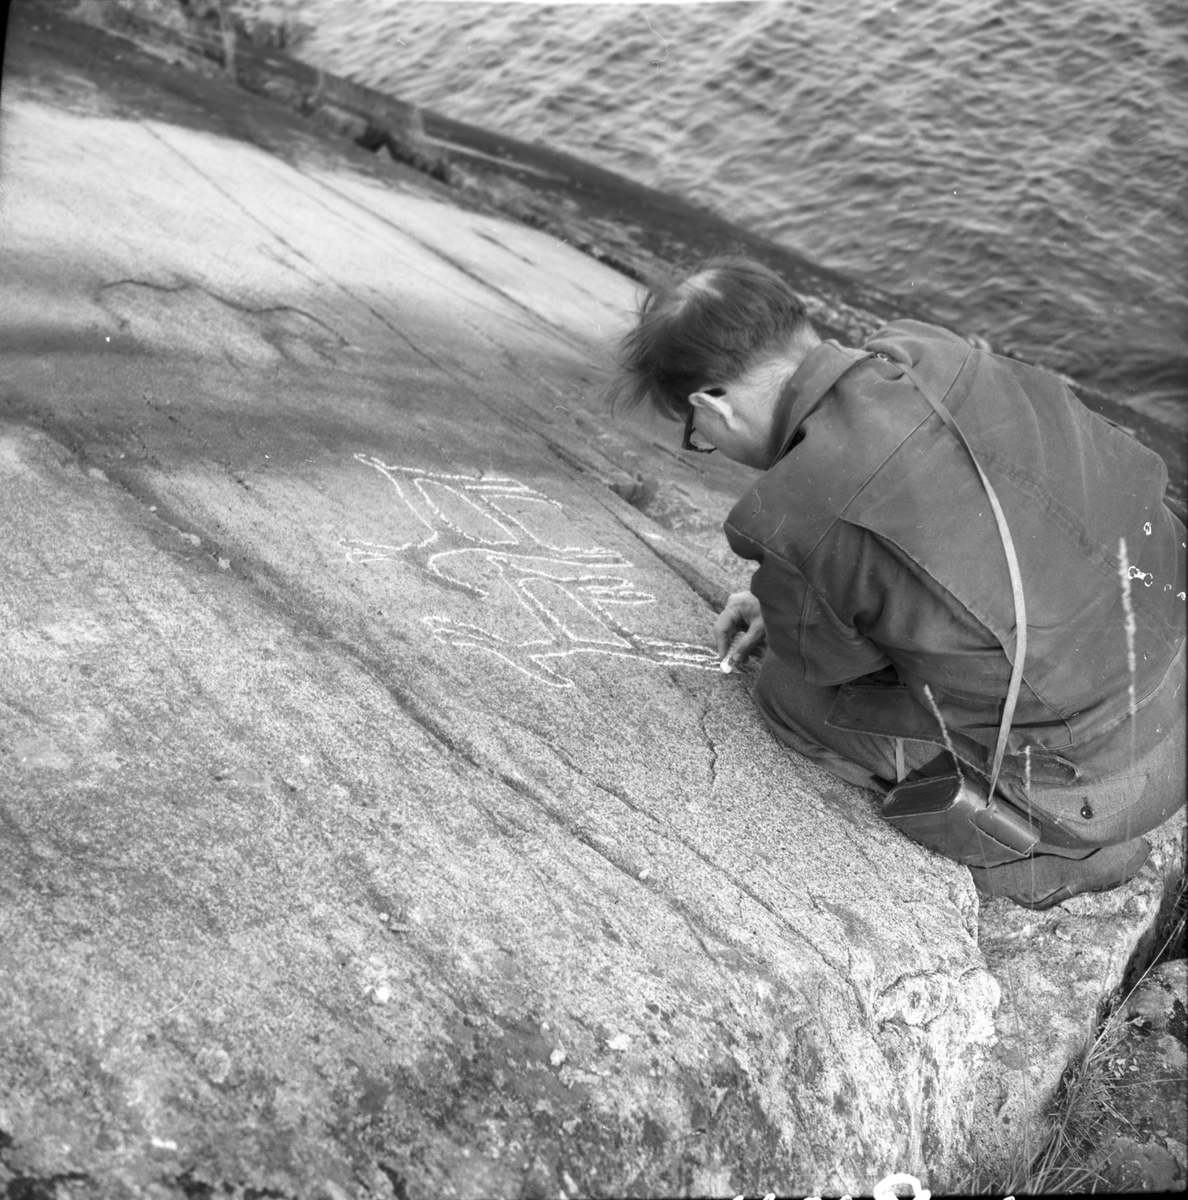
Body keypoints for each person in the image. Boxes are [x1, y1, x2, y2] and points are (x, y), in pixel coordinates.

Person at [606, 255, 1186, 909]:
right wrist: (815, 587)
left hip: (1108, 780)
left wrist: (802, 595)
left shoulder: (799, 507)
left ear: (712, 404)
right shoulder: (931, 350)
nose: (706, 441)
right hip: (1174, 663)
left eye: (698, 435)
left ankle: (1044, 846)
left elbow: (834, 664)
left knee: (787, 693)